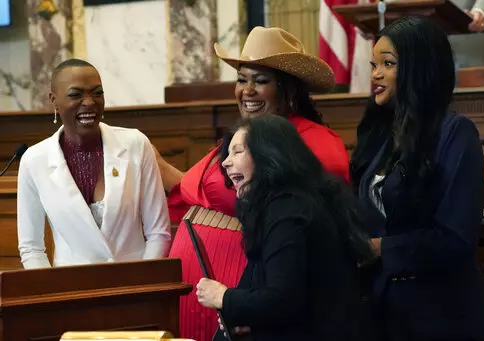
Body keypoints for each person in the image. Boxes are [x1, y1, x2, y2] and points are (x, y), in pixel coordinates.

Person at [155, 26, 351, 341]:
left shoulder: (314, 142)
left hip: (256, 286)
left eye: (260, 81)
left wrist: (169, 172)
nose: (247, 90)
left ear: (288, 90)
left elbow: (312, 210)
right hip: (211, 288)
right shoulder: (241, 138)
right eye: (242, 79)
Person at [350, 16, 484, 341]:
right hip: (383, 312)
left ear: (418, 67)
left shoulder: (455, 134)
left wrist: (380, 248)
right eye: (374, 64)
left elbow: (456, 238)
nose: (375, 75)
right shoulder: (381, 137)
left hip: (440, 315)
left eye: (387, 64)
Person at [196, 114, 373, 341]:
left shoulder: (286, 210)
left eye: (237, 151)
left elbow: (283, 300)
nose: (225, 162)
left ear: (268, 156)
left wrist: (223, 297)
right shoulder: (300, 199)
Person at [17, 58, 171, 269]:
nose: (89, 102)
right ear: (54, 101)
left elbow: (159, 233)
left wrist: (143, 286)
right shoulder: (34, 161)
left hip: (135, 287)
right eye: (75, 94)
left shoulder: (136, 143)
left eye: (97, 93)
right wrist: (51, 295)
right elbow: (31, 248)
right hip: (70, 292)